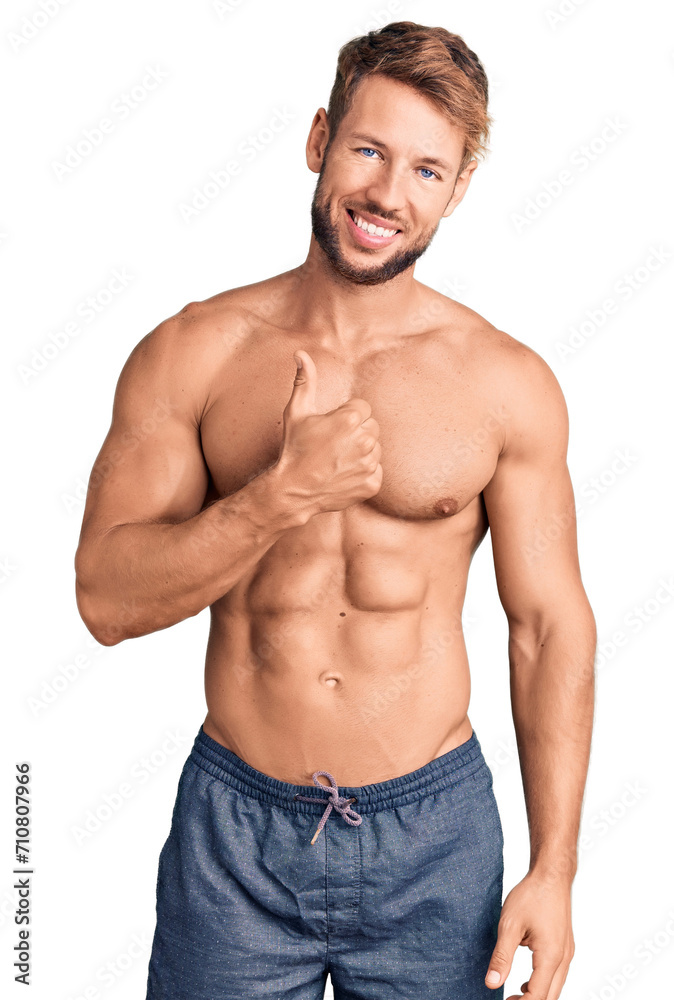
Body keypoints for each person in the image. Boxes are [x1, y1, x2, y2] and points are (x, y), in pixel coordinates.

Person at [74, 20, 596, 1000]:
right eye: (368, 150)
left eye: (426, 171)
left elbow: (546, 627)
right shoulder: (195, 353)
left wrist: (555, 867)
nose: (387, 195)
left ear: (457, 190)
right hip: (235, 835)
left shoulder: (505, 382)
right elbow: (106, 599)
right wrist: (279, 495)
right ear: (319, 139)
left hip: (434, 838)